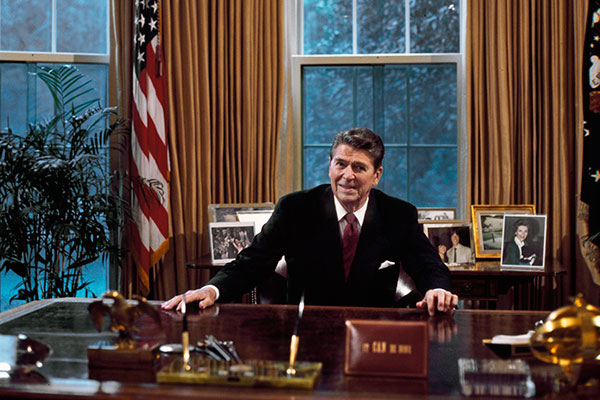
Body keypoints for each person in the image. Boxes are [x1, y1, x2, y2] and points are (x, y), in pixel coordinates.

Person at [162, 128, 458, 315]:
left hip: (372, 332)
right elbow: (253, 261)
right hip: (303, 330)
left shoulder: (398, 214)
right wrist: (212, 290)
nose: (347, 175)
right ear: (329, 166)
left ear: (376, 175)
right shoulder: (295, 208)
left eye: (359, 167)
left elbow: (427, 263)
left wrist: (437, 289)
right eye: (340, 164)